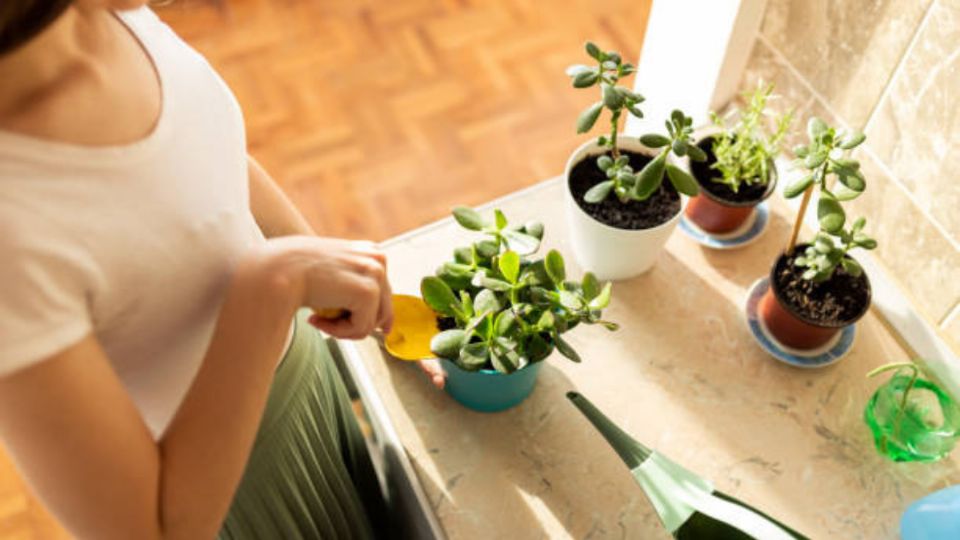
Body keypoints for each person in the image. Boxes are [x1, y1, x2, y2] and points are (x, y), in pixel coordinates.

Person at [0, 1, 445, 538]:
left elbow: (208, 159)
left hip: (312, 401)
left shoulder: (113, 15)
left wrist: (346, 292)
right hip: (240, 501)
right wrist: (274, 285)